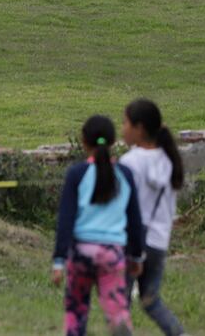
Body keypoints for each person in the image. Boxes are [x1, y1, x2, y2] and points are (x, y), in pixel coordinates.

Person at [53, 114, 146, 336]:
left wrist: (58, 260)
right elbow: (135, 220)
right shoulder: (125, 174)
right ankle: (119, 322)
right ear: (114, 142)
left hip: (82, 252)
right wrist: (136, 256)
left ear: (83, 142)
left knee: (76, 311)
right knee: (117, 310)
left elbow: (66, 219)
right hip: (112, 253)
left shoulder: (77, 174)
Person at [120, 98, 186, 336]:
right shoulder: (169, 160)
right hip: (159, 241)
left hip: (132, 241)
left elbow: (124, 206)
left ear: (139, 128)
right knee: (150, 301)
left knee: (120, 306)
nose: (122, 128)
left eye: (125, 123)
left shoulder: (130, 162)